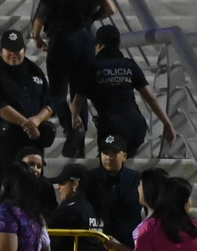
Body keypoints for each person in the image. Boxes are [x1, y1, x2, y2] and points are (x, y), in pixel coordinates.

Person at [32, 0, 115, 158]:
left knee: (58, 93)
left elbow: (41, 13)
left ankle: (71, 128)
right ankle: (80, 137)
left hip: (62, 38)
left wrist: (36, 36)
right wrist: (90, 20)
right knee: (80, 92)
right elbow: (110, 9)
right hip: (86, 38)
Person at [69, 24, 176, 157]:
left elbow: (78, 101)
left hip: (111, 126)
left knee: (108, 167)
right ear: (118, 44)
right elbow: (150, 97)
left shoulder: (92, 68)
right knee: (121, 164)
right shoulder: (129, 65)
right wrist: (167, 123)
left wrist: (75, 118)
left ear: (98, 45)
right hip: (136, 126)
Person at [0, 29, 54, 212]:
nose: (13, 54)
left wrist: (37, 120)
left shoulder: (36, 73)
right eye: (9, 50)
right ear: (1, 51)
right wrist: (26, 124)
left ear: (24, 50)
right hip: (6, 146)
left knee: (33, 193)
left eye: (17, 49)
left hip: (32, 145)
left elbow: (51, 103)